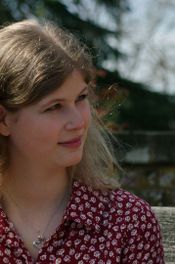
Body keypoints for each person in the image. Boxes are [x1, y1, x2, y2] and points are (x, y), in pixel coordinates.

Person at [0, 20, 164, 263]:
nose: (78, 121)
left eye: (81, 98)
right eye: (54, 106)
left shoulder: (127, 221)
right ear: (4, 119)